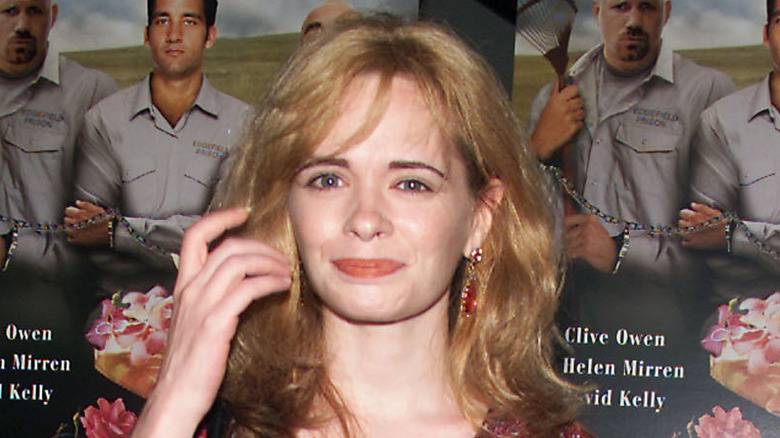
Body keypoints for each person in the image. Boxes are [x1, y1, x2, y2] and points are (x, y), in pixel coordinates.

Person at [131, 16, 590, 438]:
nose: (365, 219)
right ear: (286, 208)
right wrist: (172, 402)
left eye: (411, 183)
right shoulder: (192, 424)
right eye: (328, 180)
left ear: (480, 217)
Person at [527, 0, 735, 330]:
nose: (634, 20)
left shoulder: (706, 92)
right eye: (621, 7)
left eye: (647, 8)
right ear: (597, 11)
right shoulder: (552, 97)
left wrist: (619, 251)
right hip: (560, 323)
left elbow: (723, 238)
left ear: (666, 12)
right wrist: (536, 148)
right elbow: (515, 225)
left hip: (660, 328)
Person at [65, 0, 250, 297]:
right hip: (118, 316)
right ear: (146, 35)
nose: (174, 34)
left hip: (213, 310)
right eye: (163, 21)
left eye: (189, 21)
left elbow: (232, 233)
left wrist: (118, 232)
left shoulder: (244, 123)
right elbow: (87, 234)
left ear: (210, 35)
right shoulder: (104, 120)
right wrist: (185, 240)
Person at [0, 0, 117, 281]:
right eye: (10, 11)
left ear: (51, 16)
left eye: (34, 12)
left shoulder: (90, 91)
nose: (22, 26)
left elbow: (116, 217)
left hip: (49, 290)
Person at [679, 0, 780, 302]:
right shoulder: (722, 121)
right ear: (766, 34)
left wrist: (735, 236)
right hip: (744, 326)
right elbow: (705, 241)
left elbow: (719, 236)